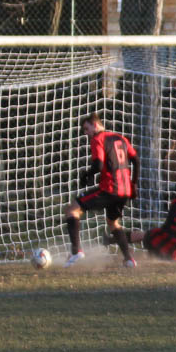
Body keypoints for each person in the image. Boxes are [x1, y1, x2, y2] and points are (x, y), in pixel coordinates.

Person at [64, 112, 139, 267]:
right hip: (124, 191)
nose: (86, 133)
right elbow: (136, 160)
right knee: (113, 223)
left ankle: (76, 251)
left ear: (95, 125)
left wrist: (86, 174)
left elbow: (98, 164)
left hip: (110, 188)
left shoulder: (98, 139)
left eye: (87, 129)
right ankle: (129, 259)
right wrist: (134, 184)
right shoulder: (121, 138)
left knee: (72, 210)